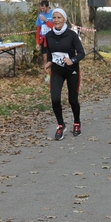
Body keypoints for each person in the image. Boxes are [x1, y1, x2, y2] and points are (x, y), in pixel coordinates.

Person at [44, 8, 85, 140]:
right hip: (57, 71)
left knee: (73, 100)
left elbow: (81, 53)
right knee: (55, 98)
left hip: (72, 71)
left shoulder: (72, 35)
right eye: (54, 18)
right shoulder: (49, 35)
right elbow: (50, 51)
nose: (56, 20)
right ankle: (61, 125)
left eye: (59, 17)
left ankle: (77, 122)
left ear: (64, 19)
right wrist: (49, 62)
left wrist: (72, 60)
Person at [35, 0, 53, 75]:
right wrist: (37, 43)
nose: (42, 10)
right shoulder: (40, 16)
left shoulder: (53, 14)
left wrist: (46, 20)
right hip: (44, 40)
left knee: (52, 58)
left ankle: (54, 73)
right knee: (45, 57)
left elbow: (54, 27)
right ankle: (47, 74)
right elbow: (38, 30)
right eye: (41, 8)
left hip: (52, 39)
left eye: (43, 8)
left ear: (48, 7)